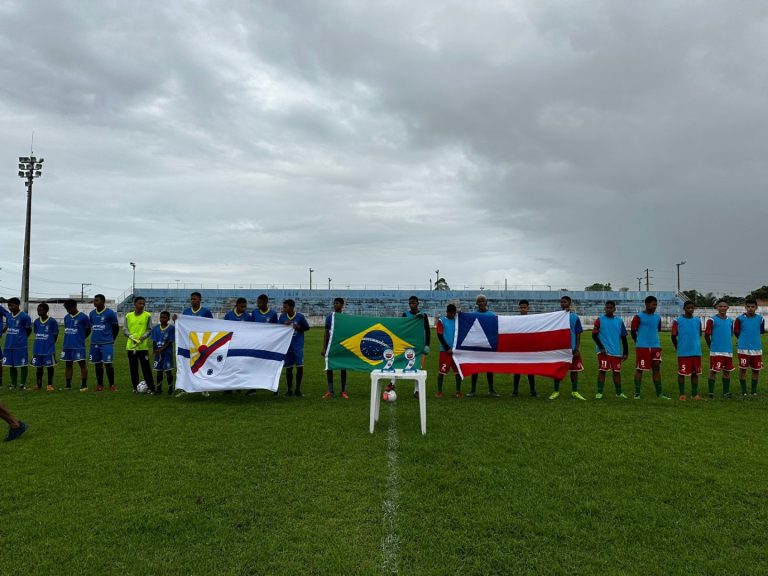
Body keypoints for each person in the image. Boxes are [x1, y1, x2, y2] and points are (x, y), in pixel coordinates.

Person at [630, 296, 670, 400]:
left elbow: (657, 330)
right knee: (640, 369)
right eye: (653, 304)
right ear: (647, 304)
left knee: (656, 367)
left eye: (656, 304)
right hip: (642, 347)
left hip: (656, 346)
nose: (655, 306)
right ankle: (637, 393)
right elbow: (633, 331)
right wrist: (637, 342)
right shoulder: (638, 317)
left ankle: (659, 393)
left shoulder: (657, 317)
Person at [549, 296, 586, 401]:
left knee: (574, 371)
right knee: (557, 370)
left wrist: (577, 348)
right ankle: (556, 391)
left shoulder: (574, 317)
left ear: (569, 303)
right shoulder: (555, 316)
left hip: (572, 348)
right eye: (561, 302)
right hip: (560, 348)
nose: (562, 304)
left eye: (565, 302)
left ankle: (575, 391)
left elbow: (578, 333)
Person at [591, 300, 629, 399]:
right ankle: (599, 393)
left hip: (616, 351)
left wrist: (625, 352)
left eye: (610, 307)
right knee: (602, 370)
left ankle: (619, 393)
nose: (608, 309)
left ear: (614, 309)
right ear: (604, 308)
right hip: (604, 351)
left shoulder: (619, 321)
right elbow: (594, 336)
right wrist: (601, 347)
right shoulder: (599, 320)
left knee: (617, 372)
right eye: (606, 307)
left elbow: (624, 337)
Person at [468, 294, 499, 398]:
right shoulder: (472, 315)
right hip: (476, 345)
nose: (481, 303)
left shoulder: (491, 315)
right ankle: (472, 390)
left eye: (483, 301)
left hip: (488, 346)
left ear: (486, 303)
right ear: (476, 303)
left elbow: (495, 329)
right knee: (475, 368)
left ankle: (491, 389)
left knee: (489, 368)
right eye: (479, 301)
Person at [671, 301, 703, 401]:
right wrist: (678, 347)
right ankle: (682, 394)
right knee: (682, 373)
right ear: (684, 308)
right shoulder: (677, 320)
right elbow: (673, 336)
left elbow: (699, 334)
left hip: (696, 351)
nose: (690, 310)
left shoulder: (698, 320)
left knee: (695, 373)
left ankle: (694, 394)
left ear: (694, 309)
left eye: (692, 308)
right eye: (688, 308)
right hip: (683, 352)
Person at [123, 296, 155, 393]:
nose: (142, 305)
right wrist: (131, 337)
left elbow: (149, 329)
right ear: (135, 304)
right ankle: (135, 387)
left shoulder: (147, 315)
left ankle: (151, 388)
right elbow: (124, 329)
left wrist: (142, 337)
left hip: (142, 347)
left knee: (146, 369)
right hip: (131, 347)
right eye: (140, 303)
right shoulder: (128, 316)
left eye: (143, 304)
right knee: (133, 369)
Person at [88, 294, 120, 392]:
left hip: (107, 343)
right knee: (97, 364)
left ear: (103, 301)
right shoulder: (92, 313)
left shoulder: (110, 313)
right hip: (94, 343)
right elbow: (92, 326)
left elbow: (116, 328)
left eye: (97, 300)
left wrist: (112, 339)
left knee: (108, 364)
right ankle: (100, 385)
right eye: (94, 300)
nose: (95, 302)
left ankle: (112, 385)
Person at [279, 299, 310, 397]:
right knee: (288, 369)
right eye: (283, 307)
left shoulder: (300, 316)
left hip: (298, 346)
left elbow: (307, 327)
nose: (283, 309)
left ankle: (298, 390)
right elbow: (277, 329)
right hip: (287, 347)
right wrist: (283, 325)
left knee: (299, 368)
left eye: (285, 307)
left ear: (291, 307)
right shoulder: (282, 317)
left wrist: (298, 327)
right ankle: (289, 390)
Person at [734, 298, 764, 398]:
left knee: (756, 370)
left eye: (752, 307)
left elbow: (760, 331)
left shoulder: (760, 318)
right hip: (743, 348)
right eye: (748, 307)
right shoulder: (739, 319)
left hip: (756, 348)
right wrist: (742, 340)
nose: (750, 308)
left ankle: (754, 391)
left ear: (756, 307)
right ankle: (744, 391)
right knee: (743, 369)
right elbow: (736, 332)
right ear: (745, 307)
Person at [705, 300, 735, 399]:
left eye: (724, 306)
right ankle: (711, 393)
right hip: (716, 351)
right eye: (720, 306)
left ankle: (726, 392)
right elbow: (706, 335)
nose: (722, 308)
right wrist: (711, 347)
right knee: (713, 371)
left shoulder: (730, 320)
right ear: (717, 307)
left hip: (728, 351)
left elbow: (730, 334)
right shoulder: (712, 320)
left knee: (727, 371)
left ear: (728, 308)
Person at [0, 298, 32, 390]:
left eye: (12, 305)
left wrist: (22, 339)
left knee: (22, 364)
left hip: (20, 346)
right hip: (9, 344)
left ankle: (22, 384)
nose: (10, 307)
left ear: (18, 305)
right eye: (9, 305)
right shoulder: (9, 316)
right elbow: (8, 326)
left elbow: (29, 330)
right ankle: (13, 384)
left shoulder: (24, 316)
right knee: (11, 365)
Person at [321, 298, 348, 399]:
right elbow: (326, 333)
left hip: (342, 346)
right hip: (331, 346)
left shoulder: (345, 318)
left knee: (343, 368)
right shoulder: (329, 317)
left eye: (337, 303)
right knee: (329, 367)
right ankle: (330, 390)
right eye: (334, 303)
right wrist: (324, 348)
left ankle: (343, 391)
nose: (335, 305)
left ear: (342, 305)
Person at [62, 299, 91, 391]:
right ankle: (68, 385)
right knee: (68, 365)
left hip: (78, 345)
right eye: (66, 309)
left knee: (82, 364)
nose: (67, 310)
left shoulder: (83, 317)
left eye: (68, 308)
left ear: (74, 307)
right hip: (67, 345)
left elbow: (88, 330)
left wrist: (81, 338)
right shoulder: (66, 317)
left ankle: (84, 385)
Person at [435, 303, 463, 398]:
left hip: (456, 351)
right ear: (447, 312)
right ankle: (439, 391)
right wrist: (447, 348)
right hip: (445, 351)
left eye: (454, 313)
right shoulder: (441, 321)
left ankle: (458, 391)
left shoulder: (457, 321)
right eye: (451, 313)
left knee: (458, 371)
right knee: (442, 371)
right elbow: (439, 335)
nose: (452, 315)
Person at [32, 302, 58, 391]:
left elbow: (55, 335)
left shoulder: (52, 321)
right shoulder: (36, 321)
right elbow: (36, 333)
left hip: (48, 349)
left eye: (41, 310)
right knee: (39, 368)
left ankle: (49, 384)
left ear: (46, 311)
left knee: (49, 367)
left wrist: (50, 344)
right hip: (38, 349)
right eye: (38, 310)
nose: (39, 312)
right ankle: (38, 384)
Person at [513, 299, 537, 397]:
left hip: (528, 349)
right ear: (519, 308)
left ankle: (532, 391)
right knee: (517, 371)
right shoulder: (515, 320)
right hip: (518, 349)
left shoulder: (532, 319)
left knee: (530, 371)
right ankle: (515, 391)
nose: (522, 309)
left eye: (524, 307)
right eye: (521, 307)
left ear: (528, 308)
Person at [151, 311, 175, 395]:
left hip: (167, 353)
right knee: (159, 371)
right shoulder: (155, 328)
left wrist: (161, 349)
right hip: (158, 354)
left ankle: (170, 389)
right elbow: (154, 340)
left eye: (164, 317)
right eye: (161, 317)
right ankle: (158, 389)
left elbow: (169, 342)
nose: (162, 319)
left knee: (168, 371)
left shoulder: (171, 328)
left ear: (168, 319)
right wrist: (155, 350)